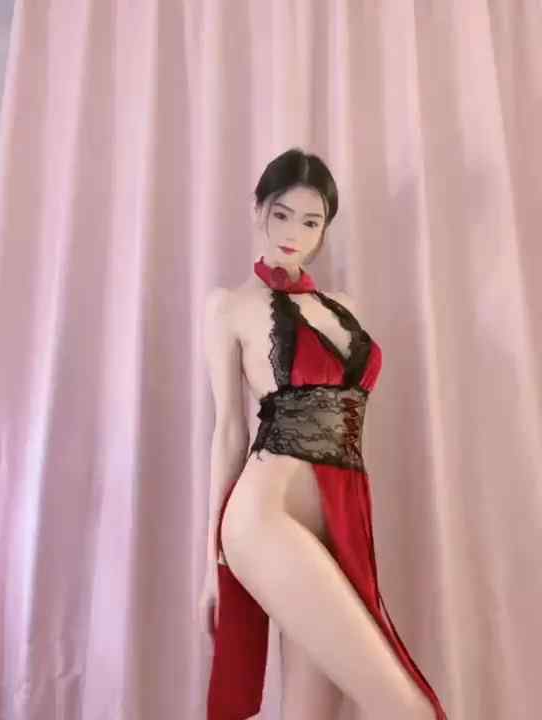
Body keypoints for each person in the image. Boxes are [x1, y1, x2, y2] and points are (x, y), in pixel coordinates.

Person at [199, 147, 448, 719]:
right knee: (406, 708)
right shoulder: (230, 307)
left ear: (324, 230)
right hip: (264, 517)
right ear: (258, 209)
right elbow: (228, 433)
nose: (294, 233)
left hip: (339, 518)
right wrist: (210, 562)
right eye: (281, 214)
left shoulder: (343, 308)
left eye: (311, 222)